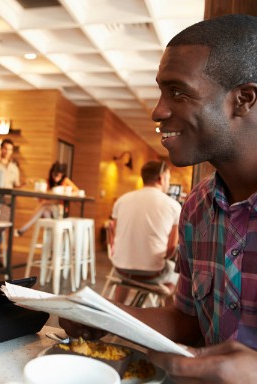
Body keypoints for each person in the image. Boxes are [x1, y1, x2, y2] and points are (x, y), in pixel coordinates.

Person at [60, 14, 257, 382]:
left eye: (178, 91)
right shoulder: (197, 208)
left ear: (243, 99)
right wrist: (104, 313)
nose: (158, 110)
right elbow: (187, 321)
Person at [111, 160, 181, 303]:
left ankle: (118, 307)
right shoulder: (173, 206)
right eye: (168, 178)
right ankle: (167, 311)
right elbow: (171, 249)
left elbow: (115, 234)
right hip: (151, 274)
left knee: (127, 275)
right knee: (177, 272)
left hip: (120, 269)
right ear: (161, 178)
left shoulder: (121, 200)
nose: (168, 182)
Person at [15, 162, 78, 237]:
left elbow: (77, 191)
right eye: (54, 175)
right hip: (50, 210)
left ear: (62, 175)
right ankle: (53, 238)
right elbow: (42, 198)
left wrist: (65, 191)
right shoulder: (48, 182)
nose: (56, 178)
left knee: (44, 206)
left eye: (58, 176)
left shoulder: (65, 181)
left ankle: (23, 229)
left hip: (60, 210)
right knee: (45, 210)